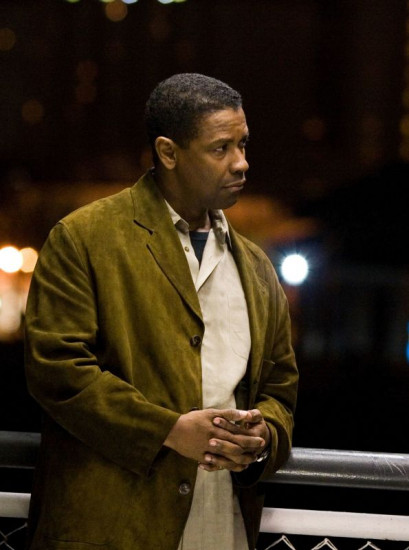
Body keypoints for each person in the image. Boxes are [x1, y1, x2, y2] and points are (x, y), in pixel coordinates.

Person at [24, 73, 299, 550]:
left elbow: (280, 388)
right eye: (221, 148)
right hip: (111, 527)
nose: (241, 163)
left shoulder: (256, 265)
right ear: (168, 153)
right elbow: (57, 371)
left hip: (224, 523)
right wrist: (168, 431)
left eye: (243, 144)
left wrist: (264, 437)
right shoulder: (84, 238)